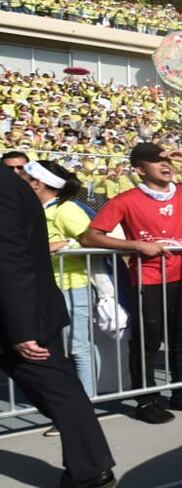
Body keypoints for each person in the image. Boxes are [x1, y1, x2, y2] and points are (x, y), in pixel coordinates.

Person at [81, 143, 182, 424]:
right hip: (149, 278)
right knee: (148, 340)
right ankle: (146, 400)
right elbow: (90, 237)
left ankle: (181, 393)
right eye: (156, 160)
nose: (166, 164)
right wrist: (137, 245)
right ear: (139, 169)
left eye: (168, 160)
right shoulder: (125, 200)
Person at [0, 164, 116, 488]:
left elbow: (10, 259)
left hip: (22, 315)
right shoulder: (11, 183)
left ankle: (89, 471)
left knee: (59, 390)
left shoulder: (4, 186)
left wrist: (22, 327)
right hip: (22, 312)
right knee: (57, 389)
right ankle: (90, 467)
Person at [19, 160, 99, 398]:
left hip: (73, 288)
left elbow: (95, 241)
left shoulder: (66, 209)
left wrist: (65, 245)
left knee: (77, 347)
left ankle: (86, 402)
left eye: (23, 178)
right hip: (45, 289)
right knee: (58, 347)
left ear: (37, 183)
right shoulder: (35, 210)